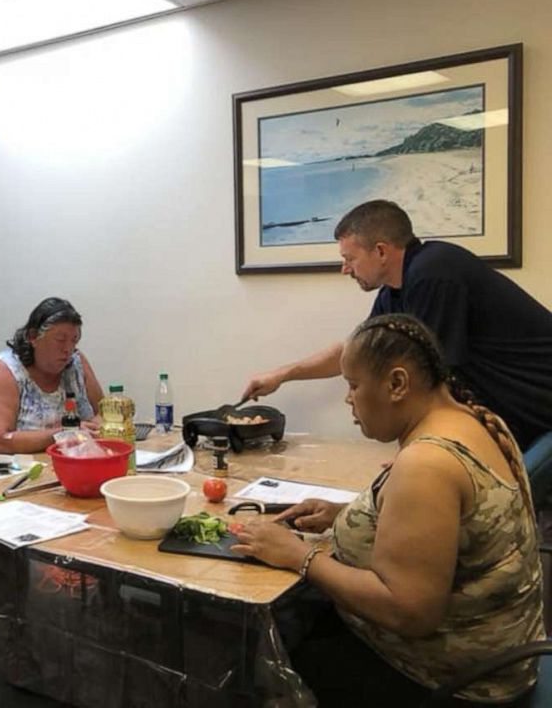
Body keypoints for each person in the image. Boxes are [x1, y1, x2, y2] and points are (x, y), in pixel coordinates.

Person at [232, 314, 545, 707]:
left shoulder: (428, 463)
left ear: (397, 384)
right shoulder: (478, 420)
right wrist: (345, 513)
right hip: (502, 660)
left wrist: (300, 555)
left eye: (353, 385)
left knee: (252, 650)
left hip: (450, 682)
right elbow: (450, 522)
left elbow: (408, 611)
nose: (348, 398)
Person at [242, 199, 552, 467]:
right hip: (515, 420)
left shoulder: (435, 272)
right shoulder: (396, 289)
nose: (345, 269)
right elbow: (357, 352)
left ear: (380, 251)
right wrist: (282, 374)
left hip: (538, 409)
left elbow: (436, 380)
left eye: (349, 259)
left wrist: (420, 453)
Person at [0, 297, 104, 465]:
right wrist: (64, 434)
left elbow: (103, 411)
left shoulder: (76, 363)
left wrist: (98, 427)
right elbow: (0, 442)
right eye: (60, 340)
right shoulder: (1, 371)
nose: (68, 349)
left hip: (58, 467)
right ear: (33, 337)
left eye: (74, 340)